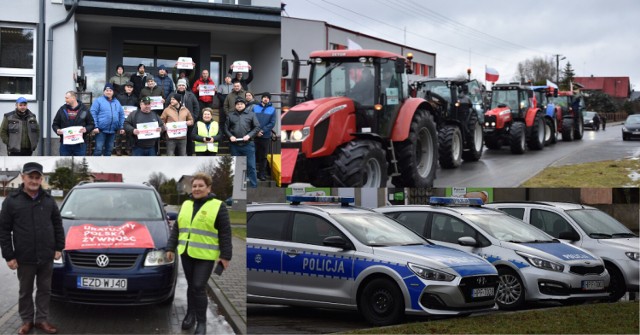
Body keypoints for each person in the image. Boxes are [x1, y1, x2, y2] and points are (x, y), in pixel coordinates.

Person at [0, 162, 65, 335]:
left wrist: (59, 247)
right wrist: (9, 256)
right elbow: (4, 230)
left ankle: (42, 320)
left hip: (46, 255)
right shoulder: (11, 201)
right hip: (24, 256)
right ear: (23, 177)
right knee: (25, 291)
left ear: (41, 179)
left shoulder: (49, 200)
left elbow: (57, 225)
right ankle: (27, 321)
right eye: (31, 177)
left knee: (45, 290)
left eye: (37, 177)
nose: (34, 181)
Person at [166, 173, 232, 335]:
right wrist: (170, 247)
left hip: (205, 255)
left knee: (198, 286)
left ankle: (202, 323)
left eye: (200, 186)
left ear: (208, 188)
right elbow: (177, 228)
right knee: (191, 285)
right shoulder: (186, 204)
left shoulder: (218, 206)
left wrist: (225, 256)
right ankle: (190, 315)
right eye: (194, 186)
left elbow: (225, 233)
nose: (196, 189)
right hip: (186, 253)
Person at [225, 97, 260, 188]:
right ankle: (239, 188)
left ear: (244, 105)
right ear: (235, 105)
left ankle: (253, 188)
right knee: (238, 167)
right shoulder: (230, 115)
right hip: (235, 145)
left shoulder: (251, 114)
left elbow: (257, 127)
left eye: (241, 104)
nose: (239, 105)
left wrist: (249, 135)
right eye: (238, 104)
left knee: (251, 167)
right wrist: (230, 136)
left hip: (248, 144)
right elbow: (225, 128)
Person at [52, 91, 95, 156]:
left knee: (80, 164)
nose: (65, 100)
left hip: (80, 145)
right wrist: (57, 130)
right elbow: (55, 124)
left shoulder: (84, 109)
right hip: (65, 145)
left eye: (67, 98)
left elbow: (91, 124)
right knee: (64, 164)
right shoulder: (62, 109)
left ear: (73, 98)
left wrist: (86, 129)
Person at [90, 83, 125, 156]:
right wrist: (95, 126)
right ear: (104, 92)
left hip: (112, 131)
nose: (108, 92)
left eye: (110, 90)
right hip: (100, 130)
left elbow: (121, 115)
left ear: (113, 92)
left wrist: (121, 127)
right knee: (98, 149)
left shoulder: (117, 102)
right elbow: (93, 114)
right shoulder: (98, 101)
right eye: (107, 90)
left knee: (109, 150)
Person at [174, 79, 201, 156]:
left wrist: (193, 118)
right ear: (177, 86)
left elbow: (196, 107)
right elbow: (167, 107)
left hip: (189, 122)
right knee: (177, 139)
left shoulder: (191, 95)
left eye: (183, 85)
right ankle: (177, 155)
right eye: (179, 85)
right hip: (177, 122)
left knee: (189, 139)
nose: (181, 87)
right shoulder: (172, 95)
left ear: (185, 87)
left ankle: (189, 154)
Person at [253, 93, 276, 181]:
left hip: (265, 136)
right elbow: (251, 120)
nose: (266, 99)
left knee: (263, 156)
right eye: (264, 97)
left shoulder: (272, 109)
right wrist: (256, 131)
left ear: (269, 100)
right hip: (254, 136)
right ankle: (253, 173)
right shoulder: (255, 108)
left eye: (267, 98)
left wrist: (262, 131)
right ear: (261, 98)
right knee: (253, 155)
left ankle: (261, 174)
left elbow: (272, 123)